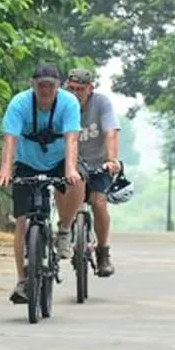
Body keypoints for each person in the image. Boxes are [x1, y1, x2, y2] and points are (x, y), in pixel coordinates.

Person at [0, 64, 82, 304]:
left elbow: (72, 139)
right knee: (22, 222)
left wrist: (71, 169)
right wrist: (4, 170)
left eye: (50, 85)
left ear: (58, 86)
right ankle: (22, 280)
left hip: (60, 161)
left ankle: (64, 229)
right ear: (33, 85)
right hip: (27, 163)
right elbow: (9, 139)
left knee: (78, 182)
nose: (45, 90)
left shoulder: (68, 103)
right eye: (40, 85)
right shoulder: (19, 103)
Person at [65, 67, 121, 276]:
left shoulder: (102, 103)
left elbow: (111, 132)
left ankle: (103, 251)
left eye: (80, 89)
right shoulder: (61, 103)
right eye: (71, 88)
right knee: (68, 201)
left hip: (98, 164)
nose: (75, 94)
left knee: (98, 202)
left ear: (90, 89)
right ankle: (68, 237)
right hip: (70, 164)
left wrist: (111, 159)